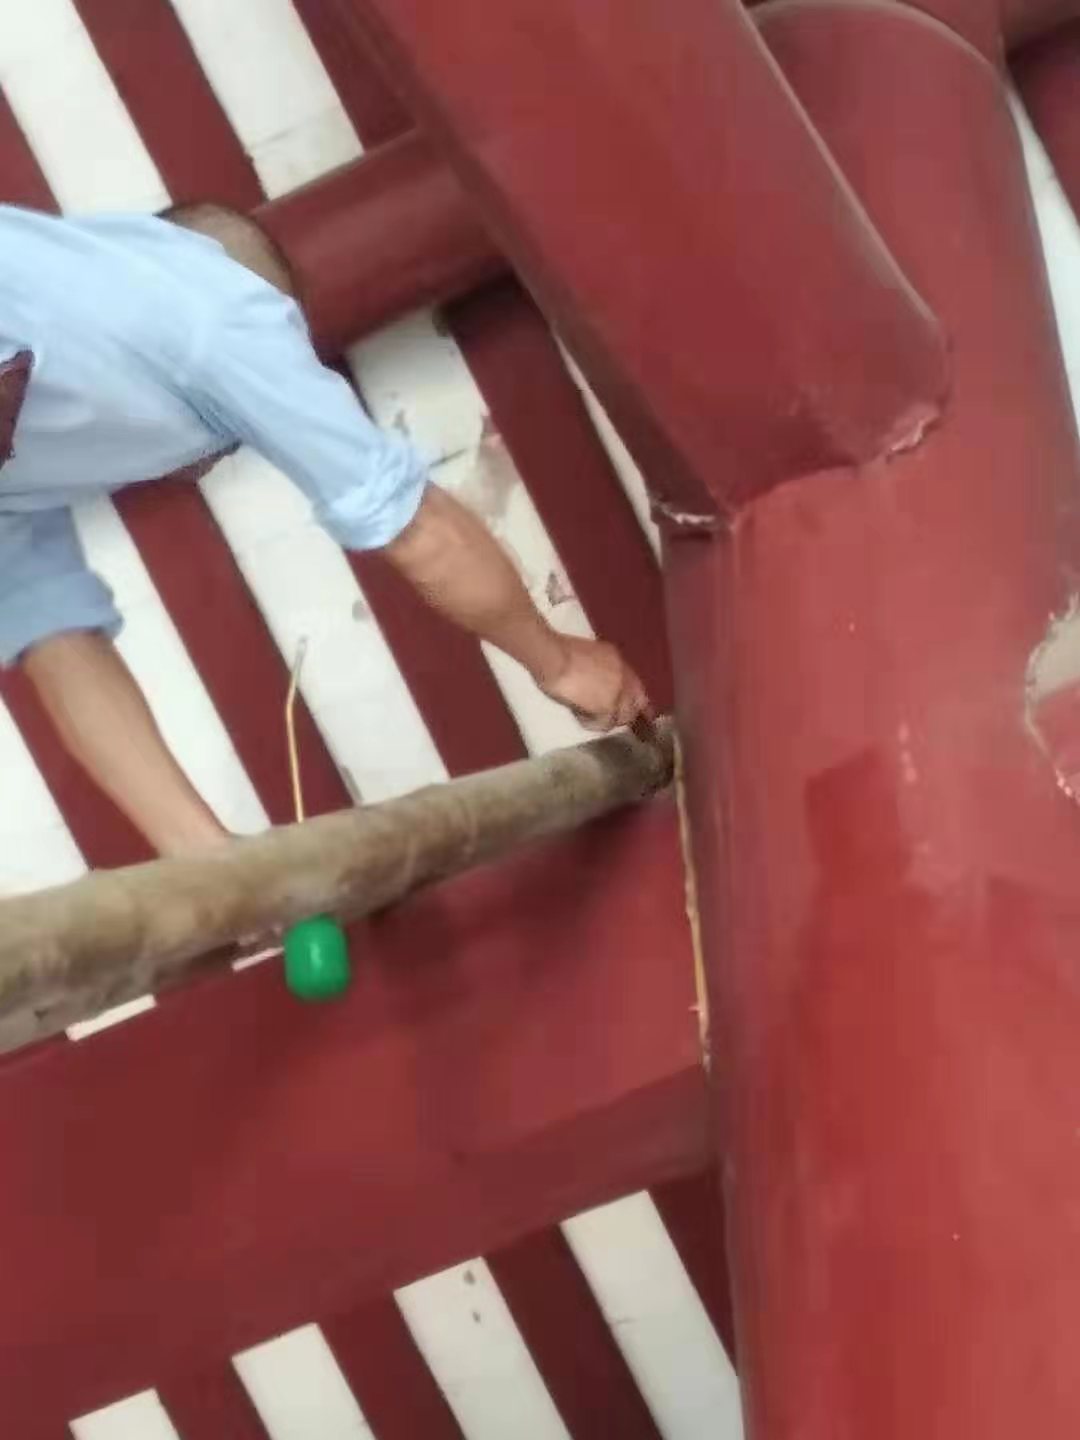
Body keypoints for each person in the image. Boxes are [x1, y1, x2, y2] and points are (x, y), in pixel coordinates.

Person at [0, 202, 650, 859]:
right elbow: (414, 524)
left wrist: (209, 859)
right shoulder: (219, 308)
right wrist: (560, 663)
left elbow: (52, 627)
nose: (227, 452)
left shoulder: (27, 473)